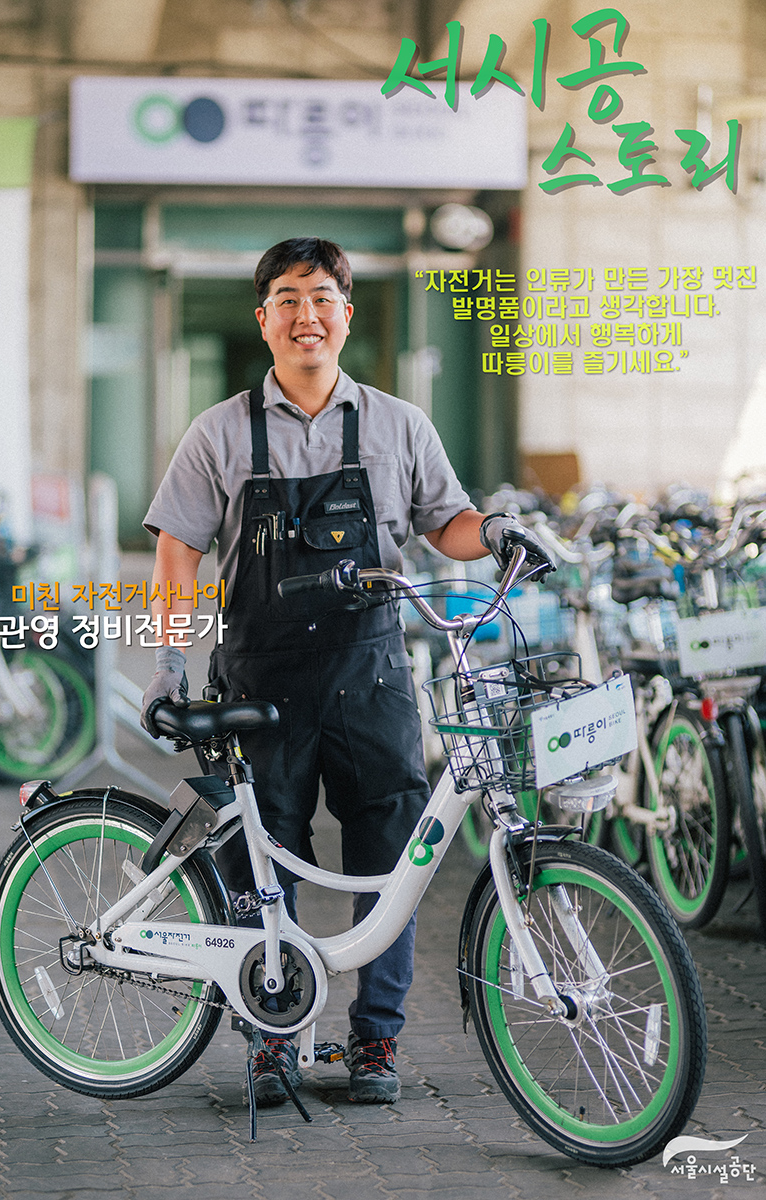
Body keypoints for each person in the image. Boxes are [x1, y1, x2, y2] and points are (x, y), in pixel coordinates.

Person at [141, 236, 544, 1107]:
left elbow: (449, 524)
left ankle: (375, 1045)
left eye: (321, 296)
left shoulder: (399, 423)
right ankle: (274, 1041)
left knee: (390, 857)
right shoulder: (217, 432)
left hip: (372, 680)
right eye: (286, 299)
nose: (305, 315)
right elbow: (177, 553)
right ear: (263, 320)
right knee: (266, 865)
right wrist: (169, 664)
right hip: (260, 684)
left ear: (346, 314)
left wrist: (499, 530)